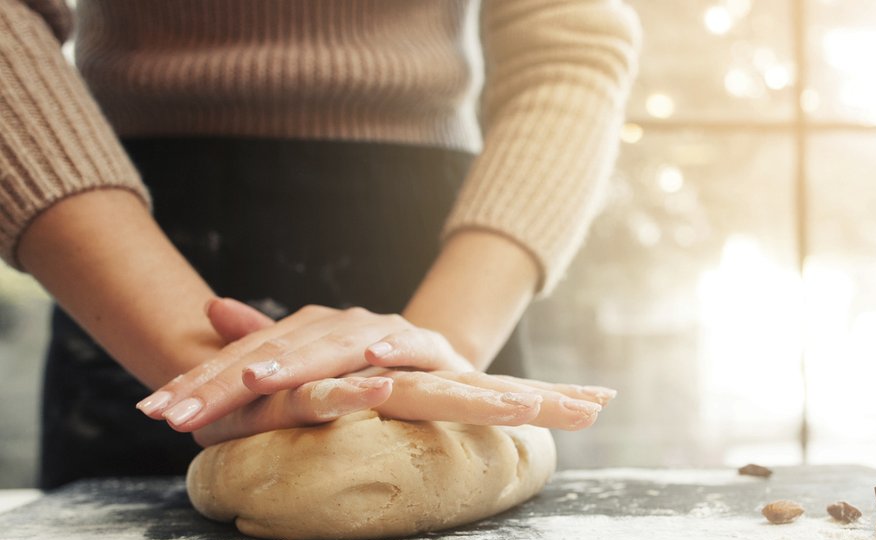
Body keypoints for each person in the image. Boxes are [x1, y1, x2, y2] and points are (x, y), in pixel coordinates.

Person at [0, 0, 641, 488]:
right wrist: (195, 368)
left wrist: (432, 356)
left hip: (448, 262)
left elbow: (569, 39)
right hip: (116, 249)